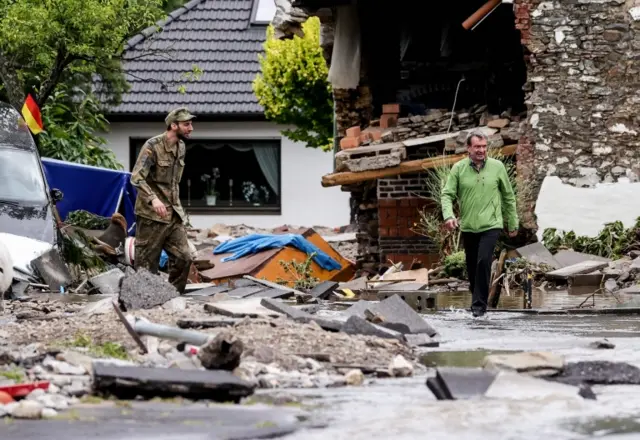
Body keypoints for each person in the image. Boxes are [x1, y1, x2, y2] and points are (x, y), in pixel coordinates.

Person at [441, 131, 518, 317]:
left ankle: (478, 308)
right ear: (468, 148)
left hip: (492, 224)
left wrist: (513, 222)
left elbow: (508, 196)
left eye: (484, 146)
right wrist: (449, 216)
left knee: (484, 261)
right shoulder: (459, 169)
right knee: (473, 267)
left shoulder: (497, 167)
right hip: (468, 226)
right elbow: (447, 194)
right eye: (477, 147)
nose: (481, 150)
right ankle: (479, 297)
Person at [130, 107, 195, 294]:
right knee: (146, 266)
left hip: (173, 214)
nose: (191, 128)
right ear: (173, 126)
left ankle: (172, 295)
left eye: (191, 124)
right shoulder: (153, 146)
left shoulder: (181, 147)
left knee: (185, 257)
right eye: (186, 124)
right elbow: (136, 177)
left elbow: (174, 182)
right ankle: (143, 302)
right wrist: (153, 199)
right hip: (151, 217)